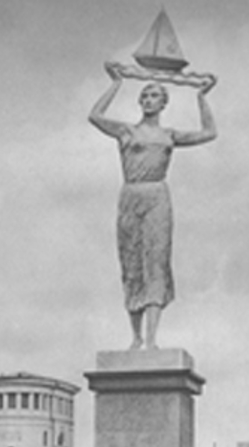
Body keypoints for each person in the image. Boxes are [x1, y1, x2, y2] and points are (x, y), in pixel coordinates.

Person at [89, 62, 217, 350]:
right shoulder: (126, 131)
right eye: (145, 95)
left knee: (156, 261)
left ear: (163, 103)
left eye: (154, 95)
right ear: (140, 102)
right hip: (131, 195)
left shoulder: (169, 135)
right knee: (131, 263)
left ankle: (152, 339)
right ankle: (135, 337)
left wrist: (202, 97)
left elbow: (209, 132)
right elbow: (95, 116)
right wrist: (115, 83)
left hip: (157, 195)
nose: (148, 100)